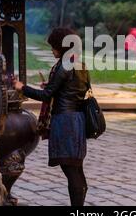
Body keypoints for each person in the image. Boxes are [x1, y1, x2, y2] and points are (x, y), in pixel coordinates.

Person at [13, 28, 89, 206]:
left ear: (62, 47)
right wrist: (55, 86)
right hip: (77, 120)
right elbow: (77, 90)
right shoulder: (80, 65)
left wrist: (21, 87)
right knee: (76, 169)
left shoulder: (63, 66)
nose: (51, 50)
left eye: (54, 46)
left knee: (71, 170)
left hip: (65, 122)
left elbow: (46, 96)